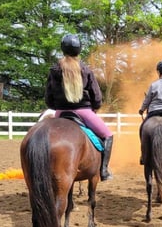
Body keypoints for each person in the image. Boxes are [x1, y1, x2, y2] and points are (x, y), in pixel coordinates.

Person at [44, 34, 114, 181]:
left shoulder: (54, 70)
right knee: (108, 135)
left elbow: (48, 98)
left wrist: (57, 106)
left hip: (61, 112)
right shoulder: (86, 70)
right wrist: (94, 107)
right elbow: (97, 97)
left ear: (62, 50)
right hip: (84, 112)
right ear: (79, 50)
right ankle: (104, 171)